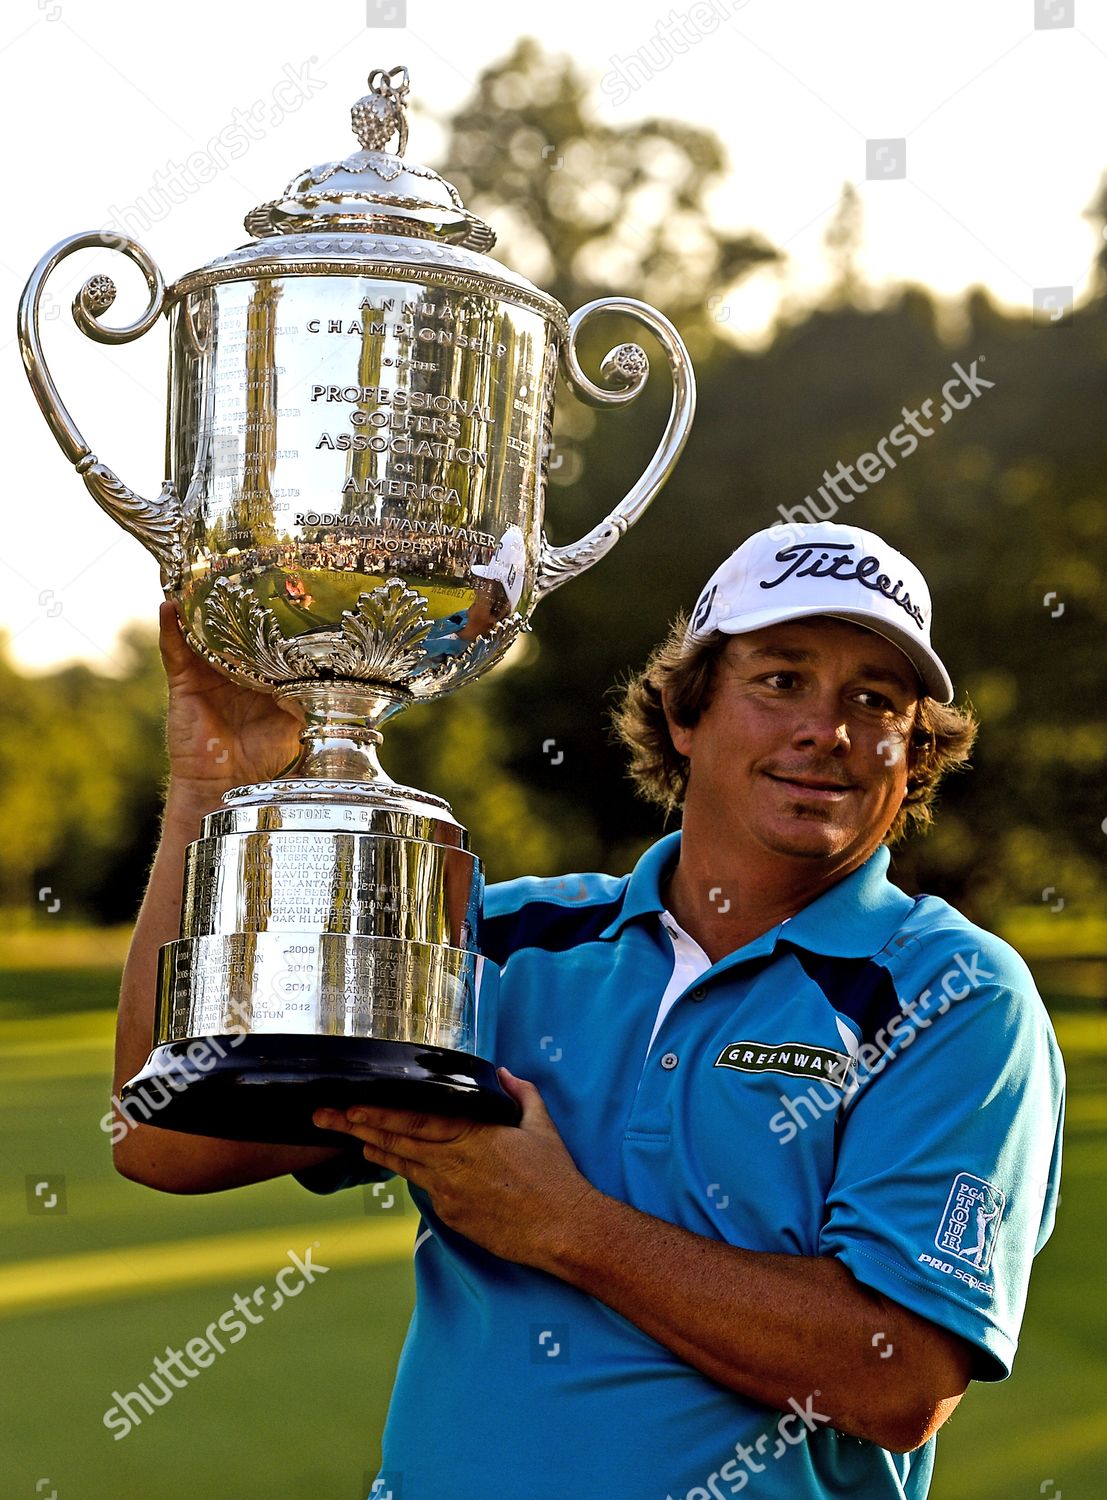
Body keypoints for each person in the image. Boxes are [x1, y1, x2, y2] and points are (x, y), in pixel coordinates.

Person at [113, 522, 1064, 1500]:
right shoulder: (506, 943)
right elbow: (164, 1133)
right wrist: (209, 785)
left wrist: (565, 1224)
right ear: (686, 712)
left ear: (913, 753)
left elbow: (897, 1374)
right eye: (782, 681)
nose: (828, 731)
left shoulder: (952, 994)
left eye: (876, 702)